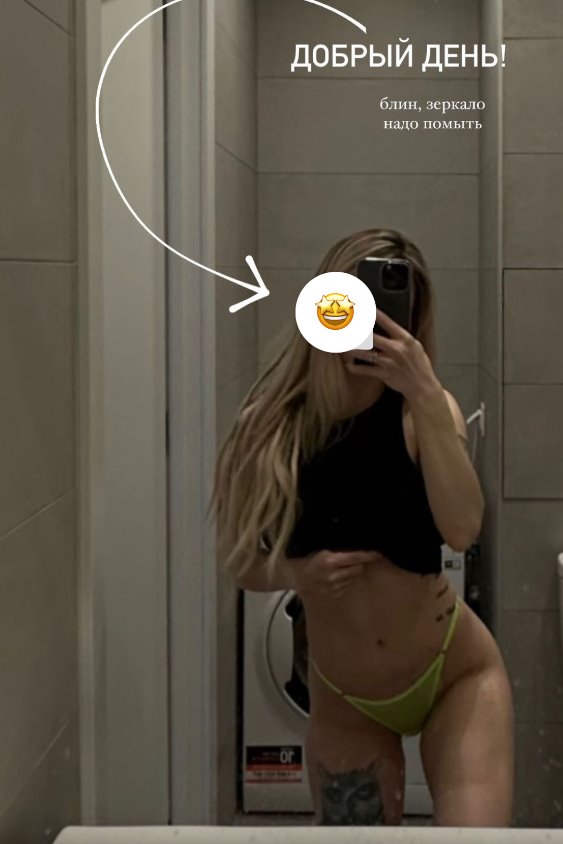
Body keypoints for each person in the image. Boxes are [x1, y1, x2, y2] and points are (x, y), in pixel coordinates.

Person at [212, 228, 514, 827]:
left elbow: (462, 529)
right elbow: (240, 564)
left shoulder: (426, 414)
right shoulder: (270, 426)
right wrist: (297, 573)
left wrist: (425, 393)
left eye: (395, 308)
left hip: (455, 674)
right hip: (345, 698)